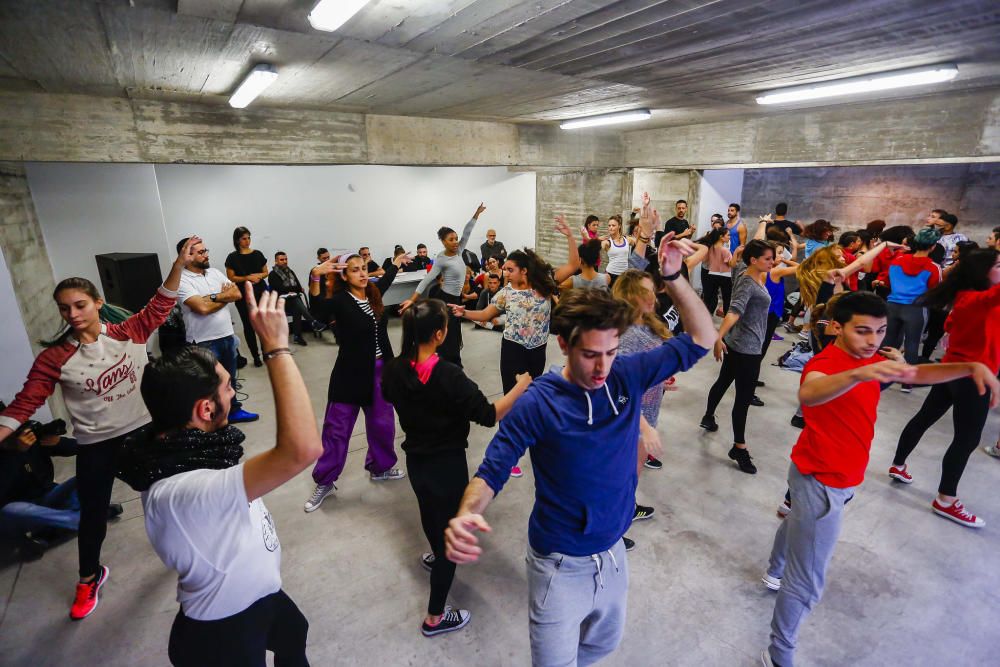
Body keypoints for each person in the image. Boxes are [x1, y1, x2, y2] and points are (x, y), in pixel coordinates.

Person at [444, 235, 715, 666]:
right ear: (565, 346)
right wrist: (466, 513)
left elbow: (702, 337)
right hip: (560, 563)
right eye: (591, 355)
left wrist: (674, 277)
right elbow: (493, 468)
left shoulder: (624, 375)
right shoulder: (540, 401)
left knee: (600, 648)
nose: (603, 366)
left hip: (612, 553)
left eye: (610, 352)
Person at [760, 291, 998, 667]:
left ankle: (774, 570)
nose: (873, 341)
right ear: (837, 327)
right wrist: (859, 372)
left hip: (824, 472)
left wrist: (969, 367)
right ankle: (778, 654)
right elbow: (809, 393)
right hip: (823, 480)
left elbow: (914, 374)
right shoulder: (828, 362)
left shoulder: (871, 357)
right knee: (807, 584)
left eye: (881, 331)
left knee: (795, 524)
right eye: (863, 332)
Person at [118, 285, 322, 667]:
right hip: (222, 630)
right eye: (229, 387)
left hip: (258, 595)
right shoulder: (184, 489)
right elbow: (302, 451)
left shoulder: (189, 450)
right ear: (206, 408)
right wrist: (277, 348)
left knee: (294, 632)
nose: (234, 393)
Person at [0, 237, 197, 620]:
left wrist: (179, 263)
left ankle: (185, 553)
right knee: (92, 514)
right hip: (98, 445)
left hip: (143, 433)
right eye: (64, 309)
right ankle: (89, 577)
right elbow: (25, 402)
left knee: (164, 498)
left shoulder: (130, 332)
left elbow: (162, 299)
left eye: (80, 305)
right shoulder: (55, 358)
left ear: (97, 303)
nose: (72, 314)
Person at [381, 299, 531, 637]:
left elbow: (391, 396)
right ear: (438, 333)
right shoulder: (448, 374)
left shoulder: (394, 369)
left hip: (417, 459)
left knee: (430, 513)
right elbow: (490, 414)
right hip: (447, 464)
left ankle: (436, 551)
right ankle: (435, 616)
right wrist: (522, 385)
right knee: (452, 538)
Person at [451, 217, 581, 478]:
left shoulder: (545, 283)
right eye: (505, 270)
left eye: (510, 269)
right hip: (512, 351)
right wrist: (464, 313)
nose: (505, 273)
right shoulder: (506, 292)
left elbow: (574, 265)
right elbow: (487, 314)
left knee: (532, 396)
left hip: (537, 350)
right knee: (512, 400)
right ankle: (509, 452)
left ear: (524, 270)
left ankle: (532, 438)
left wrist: (569, 235)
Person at [889, 248, 1000, 527]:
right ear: (982, 272)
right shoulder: (981, 299)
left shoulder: (964, 298)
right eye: (998, 265)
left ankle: (898, 464)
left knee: (924, 418)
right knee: (966, 440)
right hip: (971, 376)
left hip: (950, 370)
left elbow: (952, 324)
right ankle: (946, 500)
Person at [303, 250, 413, 512]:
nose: (363, 273)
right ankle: (326, 480)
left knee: (382, 423)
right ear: (344, 274)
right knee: (336, 429)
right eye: (355, 269)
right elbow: (317, 310)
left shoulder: (373, 293)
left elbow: (383, 281)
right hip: (349, 375)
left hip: (379, 372)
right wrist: (315, 278)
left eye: (364, 268)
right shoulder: (340, 301)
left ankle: (380, 467)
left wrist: (395, 264)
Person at [699, 239, 775, 474]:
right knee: (743, 398)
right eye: (768, 258)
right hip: (746, 349)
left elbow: (742, 258)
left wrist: (760, 229)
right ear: (754, 260)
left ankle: (708, 416)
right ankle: (739, 447)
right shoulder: (748, 283)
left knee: (723, 381)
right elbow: (734, 311)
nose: (773, 262)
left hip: (740, 343)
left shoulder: (746, 270)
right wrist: (718, 337)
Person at [0, 422, 120, 562]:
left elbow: (81, 449)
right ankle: (87, 519)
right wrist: (16, 453)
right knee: (12, 509)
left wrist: (57, 442)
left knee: (91, 471)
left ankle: (53, 529)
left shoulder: (30, 441)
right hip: (22, 511)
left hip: (50, 496)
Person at [177, 237, 259, 425]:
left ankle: (234, 411)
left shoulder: (214, 272)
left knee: (229, 379)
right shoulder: (181, 280)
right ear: (187, 256)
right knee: (209, 385)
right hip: (203, 341)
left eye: (206, 250)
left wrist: (211, 298)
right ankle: (215, 420)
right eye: (201, 252)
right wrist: (224, 297)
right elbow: (201, 309)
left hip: (227, 336)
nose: (206, 255)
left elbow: (237, 294)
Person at [400, 203, 488, 367]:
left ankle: (452, 363)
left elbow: (467, 231)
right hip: (446, 300)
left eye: (456, 239)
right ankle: (449, 364)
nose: (455, 242)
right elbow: (427, 280)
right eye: (451, 240)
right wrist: (412, 299)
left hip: (455, 297)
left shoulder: (460, 250)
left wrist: (476, 213)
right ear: (443, 242)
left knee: (454, 333)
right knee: (450, 334)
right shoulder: (441, 258)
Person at [876, 227, 941, 373]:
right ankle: (907, 382)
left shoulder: (897, 261)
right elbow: (935, 291)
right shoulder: (933, 267)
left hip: (891, 305)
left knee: (887, 340)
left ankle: (879, 373)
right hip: (916, 309)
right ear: (933, 246)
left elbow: (886, 282)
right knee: (912, 343)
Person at [225, 226, 269, 367]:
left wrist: (258, 276)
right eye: (244, 238)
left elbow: (265, 272)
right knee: (249, 326)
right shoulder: (232, 257)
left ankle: (266, 353)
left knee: (262, 324)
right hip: (243, 295)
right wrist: (247, 278)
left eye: (249, 237)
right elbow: (231, 277)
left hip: (260, 292)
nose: (247, 241)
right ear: (237, 240)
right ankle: (255, 356)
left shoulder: (257, 254)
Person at [268, 251, 326, 346]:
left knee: (296, 304)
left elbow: (299, 287)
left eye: (286, 259)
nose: (285, 261)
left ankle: (298, 336)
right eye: (282, 260)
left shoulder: (290, 272)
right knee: (296, 301)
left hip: (292, 301)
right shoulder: (273, 274)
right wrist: (291, 290)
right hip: (280, 303)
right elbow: (279, 289)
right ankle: (312, 323)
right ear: (276, 261)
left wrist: (291, 290)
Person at [691, 227, 733, 316]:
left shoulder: (709, 248)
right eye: (728, 235)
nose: (730, 237)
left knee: (711, 297)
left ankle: (707, 316)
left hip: (712, 274)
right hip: (725, 275)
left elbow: (705, 260)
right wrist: (736, 253)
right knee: (727, 298)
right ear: (721, 237)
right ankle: (726, 318)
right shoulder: (725, 251)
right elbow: (731, 264)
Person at [602, 214, 635, 285]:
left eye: (613, 225)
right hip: (610, 274)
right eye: (609, 225)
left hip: (624, 275)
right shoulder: (607, 242)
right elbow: (597, 245)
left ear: (619, 226)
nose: (610, 228)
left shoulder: (627, 239)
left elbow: (639, 243)